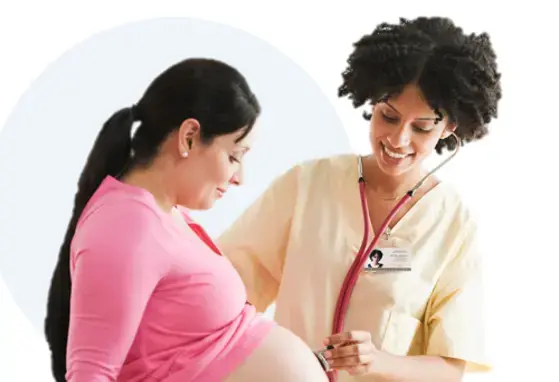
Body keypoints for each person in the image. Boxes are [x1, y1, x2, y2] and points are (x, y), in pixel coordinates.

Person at [217, 16, 502, 381]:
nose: (398, 140)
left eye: (422, 127)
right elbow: (225, 287)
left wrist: (378, 361)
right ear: (372, 103)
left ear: (449, 127)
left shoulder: (453, 226)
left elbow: (450, 368)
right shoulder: (307, 185)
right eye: (388, 116)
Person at [43, 58, 329, 382]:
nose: (240, 178)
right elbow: (90, 374)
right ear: (189, 137)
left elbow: (200, 347)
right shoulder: (124, 228)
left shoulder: (164, 213)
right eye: (234, 156)